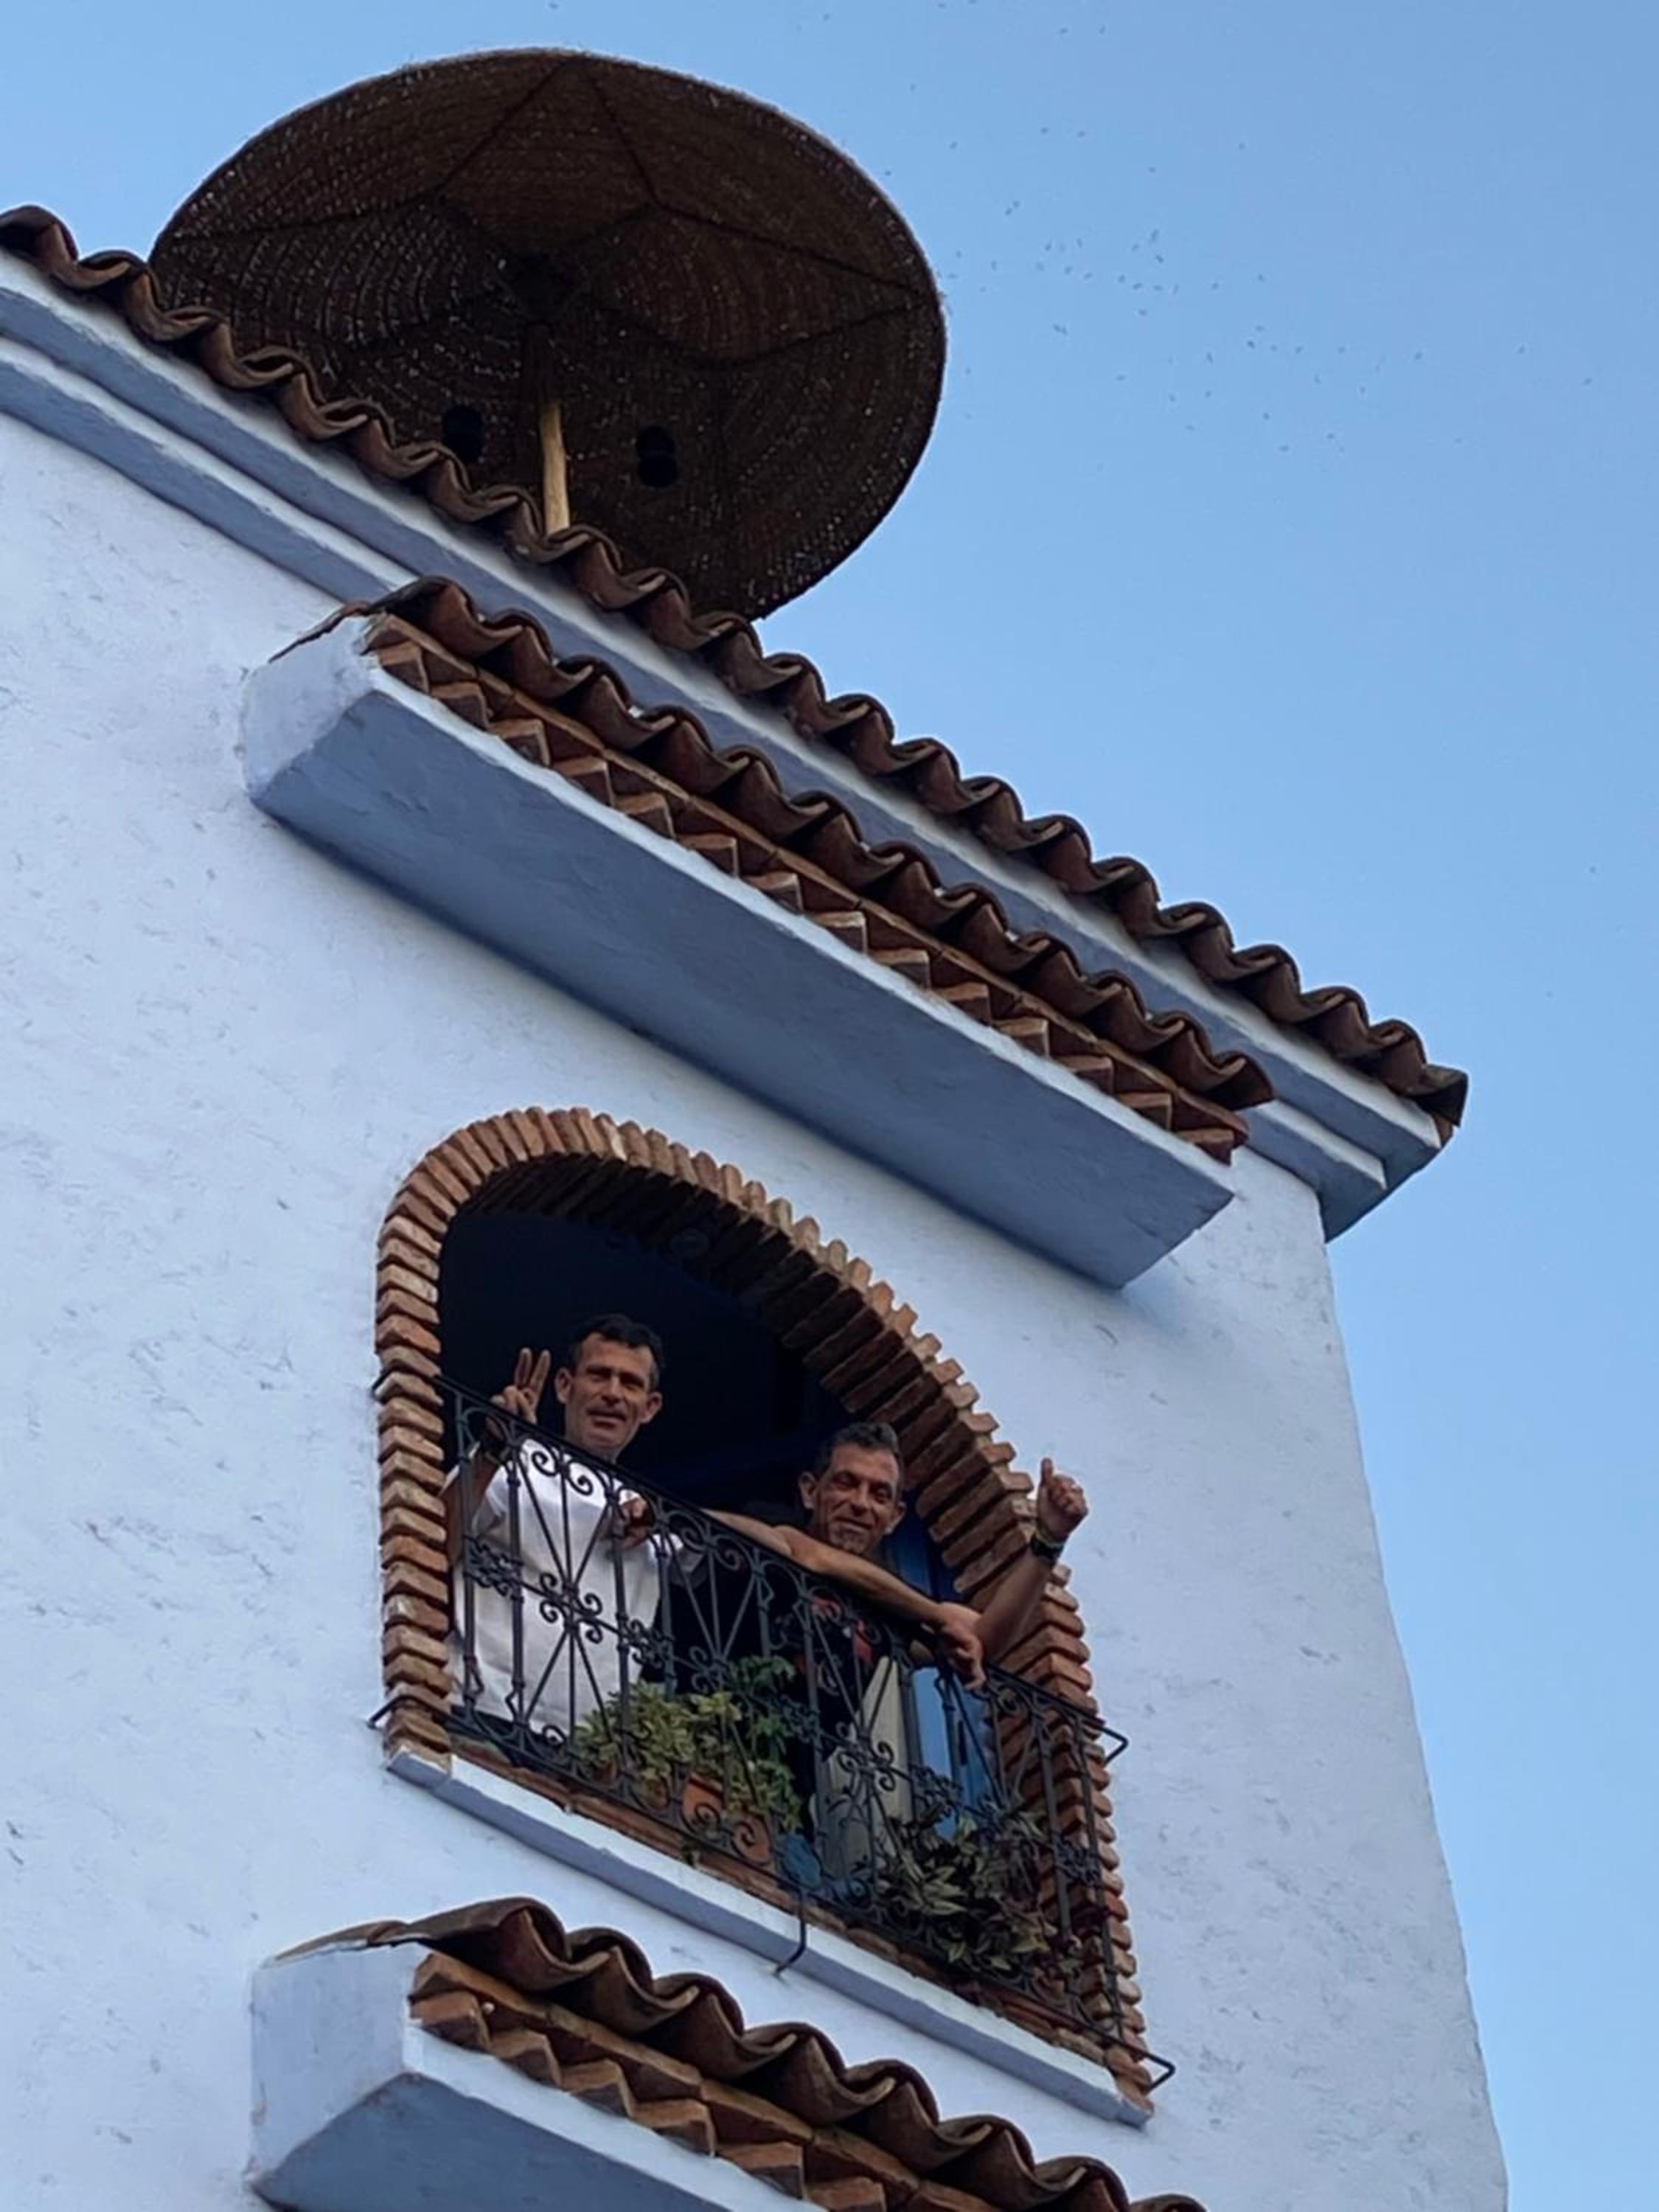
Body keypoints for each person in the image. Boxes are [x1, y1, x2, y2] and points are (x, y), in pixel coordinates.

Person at [445, 1316, 666, 1742]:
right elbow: (430, 1546)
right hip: (480, 1713)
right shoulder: (514, 1461)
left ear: (650, 1407)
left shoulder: (648, 1516)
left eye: (630, 1383)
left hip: (587, 1752)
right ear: (565, 1386)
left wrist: (666, 1516)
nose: (613, 1393)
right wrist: (493, 1450)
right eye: (598, 1375)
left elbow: (776, 1545)